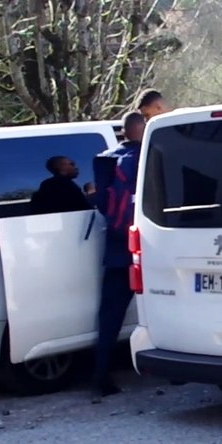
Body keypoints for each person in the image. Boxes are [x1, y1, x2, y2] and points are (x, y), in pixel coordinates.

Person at [89, 108, 147, 403]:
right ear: (143, 129)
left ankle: (101, 374)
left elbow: (102, 204)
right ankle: (175, 372)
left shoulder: (104, 160)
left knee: (110, 314)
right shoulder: (147, 156)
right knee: (165, 307)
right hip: (148, 247)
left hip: (116, 246)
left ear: (123, 131)